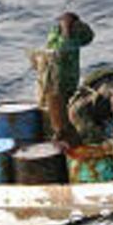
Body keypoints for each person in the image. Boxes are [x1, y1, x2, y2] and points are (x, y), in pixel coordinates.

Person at [30, 12, 95, 143]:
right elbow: (61, 50)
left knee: (69, 107)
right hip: (56, 81)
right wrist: (65, 28)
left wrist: (77, 25)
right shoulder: (56, 34)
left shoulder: (75, 34)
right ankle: (60, 135)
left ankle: (67, 134)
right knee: (57, 111)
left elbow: (89, 37)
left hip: (71, 79)